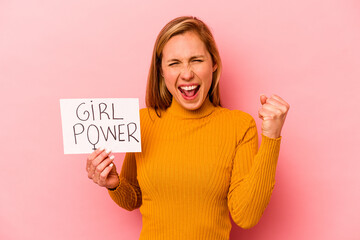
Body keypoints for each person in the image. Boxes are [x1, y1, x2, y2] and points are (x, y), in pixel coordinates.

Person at [86, 16, 290, 240]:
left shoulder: (240, 126)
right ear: (162, 71)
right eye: (174, 63)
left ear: (213, 63)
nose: (186, 73)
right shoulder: (142, 122)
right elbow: (133, 198)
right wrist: (114, 184)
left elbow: (246, 216)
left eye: (196, 60)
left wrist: (271, 138)